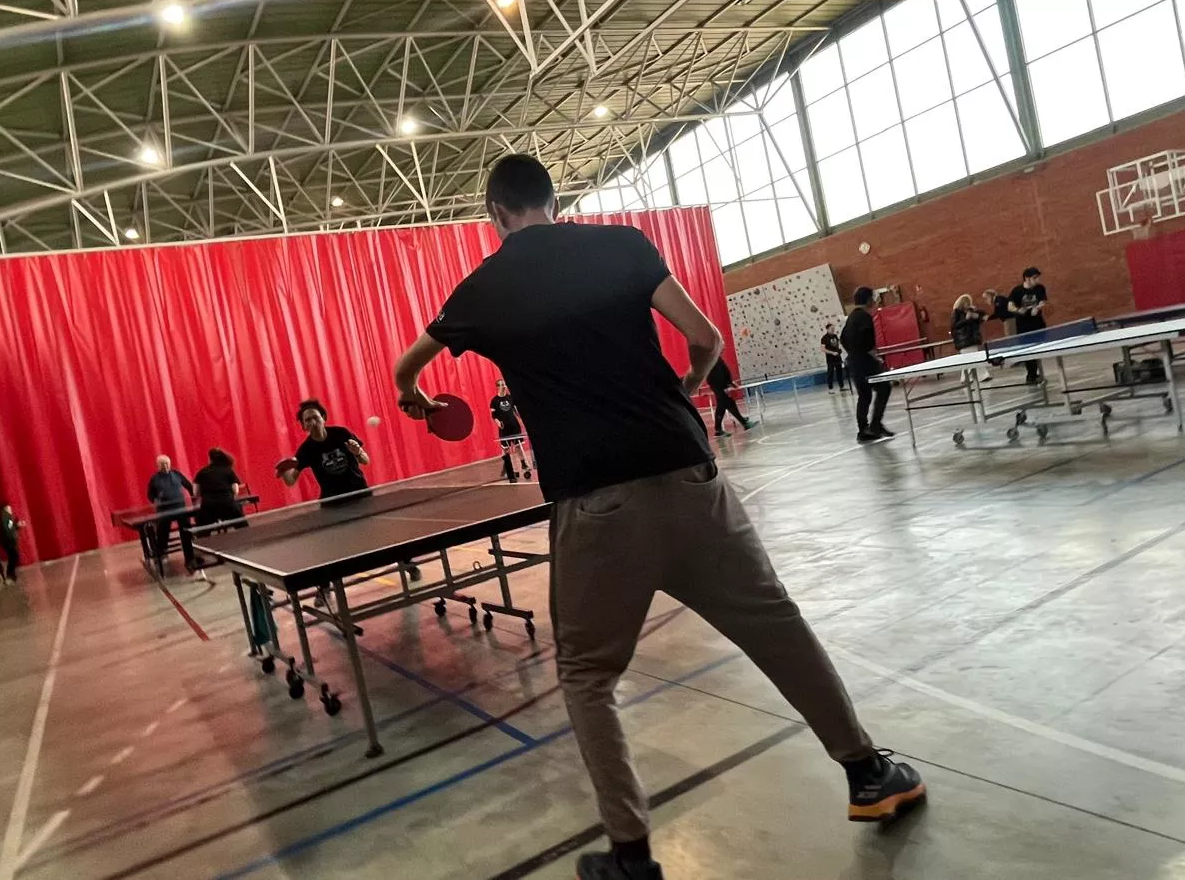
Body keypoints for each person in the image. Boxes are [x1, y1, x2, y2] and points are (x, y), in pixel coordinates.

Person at [392, 154, 924, 880]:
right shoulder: (622, 246)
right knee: (775, 624)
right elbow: (705, 338)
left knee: (587, 675)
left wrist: (416, 400)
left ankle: (632, 857)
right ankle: (867, 774)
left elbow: (407, 367)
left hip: (596, 505)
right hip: (689, 476)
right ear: (554, 200)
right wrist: (687, 386)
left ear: (496, 215)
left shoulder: (483, 288)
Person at [277, 399, 372, 501]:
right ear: (304, 426)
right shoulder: (306, 449)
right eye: (308, 420)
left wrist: (358, 453)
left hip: (359, 492)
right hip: (333, 500)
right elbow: (290, 481)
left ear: (323, 418)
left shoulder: (342, 433)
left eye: (316, 417)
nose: (313, 422)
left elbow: (366, 461)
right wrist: (284, 470)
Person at [841, 287, 895, 443]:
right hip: (865, 361)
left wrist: (853, 352)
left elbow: (843, 338)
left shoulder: (851, 317)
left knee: (864, 395)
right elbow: (868, 341)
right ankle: (875, 425)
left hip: (854, 362)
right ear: (868, 300)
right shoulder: (865, 317)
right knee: (884, 388)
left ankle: (864, 430)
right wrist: (875, 357)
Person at [145, 454, 197, 570]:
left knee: (186, 530)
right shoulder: (154, 479)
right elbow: (150, 495)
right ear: (158, 466)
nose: (165, 466)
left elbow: (189, 486)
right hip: (164, 511)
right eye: (163, 464)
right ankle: (162, 554)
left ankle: (190, 556)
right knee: (162, 531)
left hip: (180, 508)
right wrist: (155, 500)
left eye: (167, 463)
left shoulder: (176, 474)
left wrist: (194, 498)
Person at [1009, 267, 1049, 384]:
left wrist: (1037, 307)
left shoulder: (1040, 288)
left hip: (1038, 324)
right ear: (1027, 279)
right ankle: (1031, 375)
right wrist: (1018, 310)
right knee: (1029, 351)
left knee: (1038, 350)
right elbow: (1010, 306)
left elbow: (1043, 301)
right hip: (1024, 326)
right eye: (1034, 278)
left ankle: (1035, 375)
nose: (1037, 280)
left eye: (1038, 278)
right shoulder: (1017, 291)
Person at [490, 379, 533, 482]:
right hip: (504, 428)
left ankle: (523, 464)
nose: (504, 387)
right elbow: (494, 415)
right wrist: (498, 423)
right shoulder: (494, 401)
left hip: (514, 426)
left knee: (518, 446)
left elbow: (516, 411)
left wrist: (522, 421)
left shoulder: (510, 398)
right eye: (501, 385)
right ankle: (507, 467)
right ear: (497, 387)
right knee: (506, 449)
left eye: (504, 384)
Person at [193, 447, 245, 526]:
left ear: (210, 459)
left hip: (209, 505)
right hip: (227, 503)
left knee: (202, 530)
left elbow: (196, 493)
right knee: (242, 526)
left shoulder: (202, 472)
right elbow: (236, 490)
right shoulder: (228, 470)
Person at [705, 357, 755, 438]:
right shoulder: (711, 357)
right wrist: (727, 383)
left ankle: (741, 423)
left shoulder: (716, 357)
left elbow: (724, 369)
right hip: (718, 384)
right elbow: (717, 372)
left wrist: (730, 382)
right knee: (725, 403)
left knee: (725, 403)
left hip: (721, 383)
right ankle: (742, 423)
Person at [0, 502, 25, 581]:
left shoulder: (5, 517)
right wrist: (17, 525)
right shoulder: (6, 517)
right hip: (8, 541)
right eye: (9, 508)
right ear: (5, 509)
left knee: (13, 557)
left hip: (7, 541)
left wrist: (17, 525)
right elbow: (8, 529)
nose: (11, 510)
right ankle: (10, 574)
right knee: (14, 556)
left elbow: (10, 528)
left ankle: (11, 574)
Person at [821, 323, 844, 393]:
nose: (833, 330)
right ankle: (830, 389)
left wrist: (839, 350)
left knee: (839, 372)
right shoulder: (824, 338)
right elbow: (823, 349)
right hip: (830, 359)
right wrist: (832, 352)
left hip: (837, 357)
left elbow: (837, 344)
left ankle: (841, 387)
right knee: (830, 373)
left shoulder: (835, 336)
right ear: (827, 329)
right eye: (832, 329)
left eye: (834, 328)